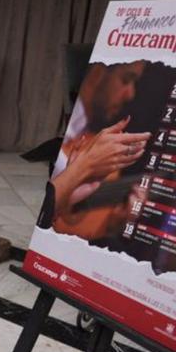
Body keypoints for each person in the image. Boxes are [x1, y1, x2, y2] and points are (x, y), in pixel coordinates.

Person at [43, 61, 152, 239]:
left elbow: (75, 222)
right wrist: (84, 167)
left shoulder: (85, 131)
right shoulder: (71, 138)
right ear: (97, 74)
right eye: (125, 80)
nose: (130, 94)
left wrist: (115, 222)